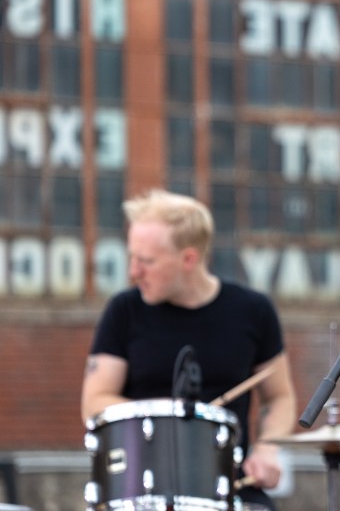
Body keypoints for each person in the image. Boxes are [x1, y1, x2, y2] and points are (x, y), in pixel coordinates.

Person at [82, 189, 296, 510]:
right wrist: (171, 420)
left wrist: (267, 448)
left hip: (227, 487)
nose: (133, 271)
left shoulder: (254, 311)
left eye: (146, 261)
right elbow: (95, 400)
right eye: (132, 257)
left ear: (188, 259)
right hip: (137, 492)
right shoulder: (124, 311)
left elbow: (279, 397)